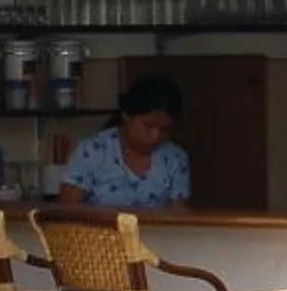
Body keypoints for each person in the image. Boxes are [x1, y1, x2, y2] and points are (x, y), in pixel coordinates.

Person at [58, 74, 192, 210]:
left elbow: (178, 213)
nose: (155, 136)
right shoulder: (93, 151)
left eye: (165, 129)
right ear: (126, 115)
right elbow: (68, 208)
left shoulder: (175, 158)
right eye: (147, 126)